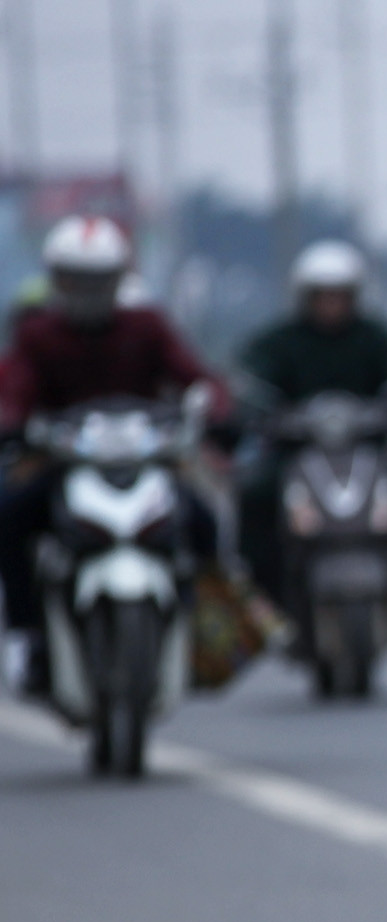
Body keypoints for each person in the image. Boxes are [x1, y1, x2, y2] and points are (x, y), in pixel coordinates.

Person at [0, 216, 227, 691]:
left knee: (204, 522)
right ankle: (25, 634)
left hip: (146, 462)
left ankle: (208, 634)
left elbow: (196, 377)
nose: (87, 289)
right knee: (12, 516)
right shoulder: (38, 335)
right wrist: (12, 426)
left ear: (118, 277)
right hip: (65, 466)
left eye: (98, 278)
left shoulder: (145, 326)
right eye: (75, 278)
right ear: (56, 279)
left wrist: (218, 410)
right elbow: (14, 392)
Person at [234, 239, 387, 604]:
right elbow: (251, 374)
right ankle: (263, 585)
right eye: (322, 296)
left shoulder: (373, 337)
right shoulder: (281, 340)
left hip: (363, 446)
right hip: (296, 448)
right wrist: (260, 402)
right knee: (256, 491)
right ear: (305, 297)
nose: (331, 305)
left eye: (339, 296)